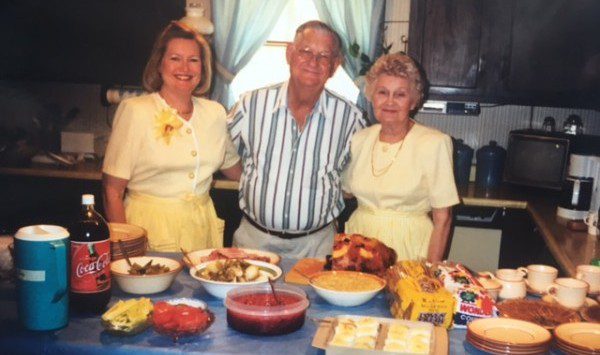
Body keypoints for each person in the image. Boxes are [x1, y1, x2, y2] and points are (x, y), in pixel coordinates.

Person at [227, 21, 366, 258]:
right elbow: (223, 154)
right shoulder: (251, 105)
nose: (314, 62)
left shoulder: (350, 118)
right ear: (290, 53)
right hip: (253, 242)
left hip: (317, 247)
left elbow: (354, 178)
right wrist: (256, 182)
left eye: (324, 56)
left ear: (335, 65)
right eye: (306, 52)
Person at [102, 22, 241, 252]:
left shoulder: (214, 112)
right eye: (175, 58)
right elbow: (112, 191)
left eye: (193, 60)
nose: (185, 67)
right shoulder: (135, 111)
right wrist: (126, 250)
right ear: (159, 64)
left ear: (203, 68)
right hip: (148, 230)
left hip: (201, 230)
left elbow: (234, 168)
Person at [342, 52, 459, 262]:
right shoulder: (360, 139)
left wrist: (430, 273)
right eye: (382, 92)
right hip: (359, 247)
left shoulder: (434, 143)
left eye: (400, 94)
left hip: (409, 249)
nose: (390, 102)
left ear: (413, 101)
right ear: (371, 96)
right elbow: (347, 191)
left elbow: (443, 218)